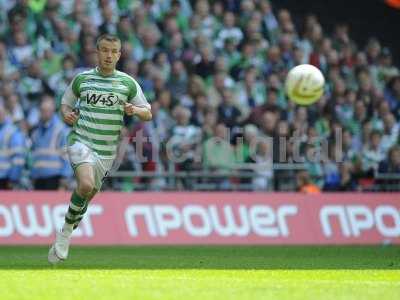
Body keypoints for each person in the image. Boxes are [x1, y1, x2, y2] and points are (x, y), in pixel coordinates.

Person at [48, 34, 152, 264]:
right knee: (85, 185)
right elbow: (65, 104)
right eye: (104, 50)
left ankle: (71, 223)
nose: (108, 55)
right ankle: (65, 233)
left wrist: (134, 110)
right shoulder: (82, 79)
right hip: (81, 140)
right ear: (97, 52)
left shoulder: (127, 83)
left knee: (89, 193)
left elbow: (148, 112)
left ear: (119, 55)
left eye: (113, 51)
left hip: (106, 150)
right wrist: (67, 115)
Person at [30, 95, 71, 190]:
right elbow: (34, 155)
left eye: (47, 110)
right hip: (38, 177)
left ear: (53, 111)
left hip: (55, 178)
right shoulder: (36, 132)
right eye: (42, 110)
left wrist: (65, 177)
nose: (45, 113)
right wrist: (32, 174)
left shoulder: (61, 130)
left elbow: (67, 156)